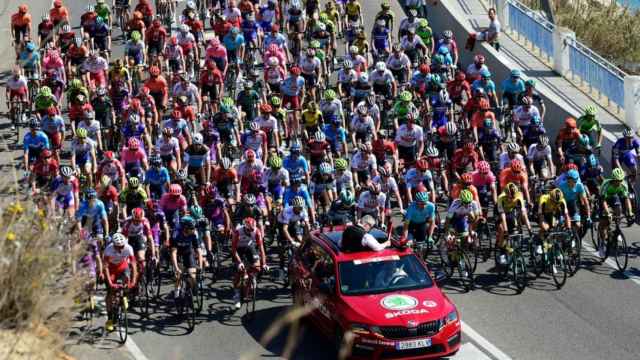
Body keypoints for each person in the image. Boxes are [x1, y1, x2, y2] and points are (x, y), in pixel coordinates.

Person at [103, 233, 137, 332]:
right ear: (113, 245)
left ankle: (123, 296)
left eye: (122, 246)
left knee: (126, 281)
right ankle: (109, 319)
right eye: (118, 247)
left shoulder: (128, 248)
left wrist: (133, 280)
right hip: (111, 269)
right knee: (110, 293)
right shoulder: (108, 250)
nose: (121, 249)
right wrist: (110, 283)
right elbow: (105, 268)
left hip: (122, 267)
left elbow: (134, 265)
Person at [231, 217, 267, 309]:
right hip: (238, 249)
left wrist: (264, 264)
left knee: (257, 268)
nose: (251, 231)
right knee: (239, 271)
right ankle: (237, 295)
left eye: (252, 229)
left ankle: (252, 278)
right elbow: (234, 250)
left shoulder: (257, 231)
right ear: (245, 228)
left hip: (249, 247)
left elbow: (262, 249)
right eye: (249, 230)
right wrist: (239, 262)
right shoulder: (238, 231)